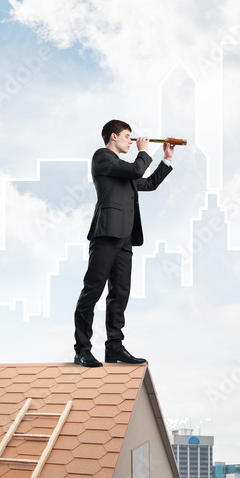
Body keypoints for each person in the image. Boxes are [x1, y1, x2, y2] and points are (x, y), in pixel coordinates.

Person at [73, 119, 174, 367]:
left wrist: (167, 159)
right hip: (106, 233)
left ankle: (114, 348)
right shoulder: (102, 158)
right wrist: (142, 151)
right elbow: (136, 171)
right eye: (127, 136)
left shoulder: (123, 169)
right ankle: (82, 349)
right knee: (93, 291)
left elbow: (147, 183)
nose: (131, 140)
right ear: (113, 136)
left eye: (132, 137)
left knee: (120, 293)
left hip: (126, 238)